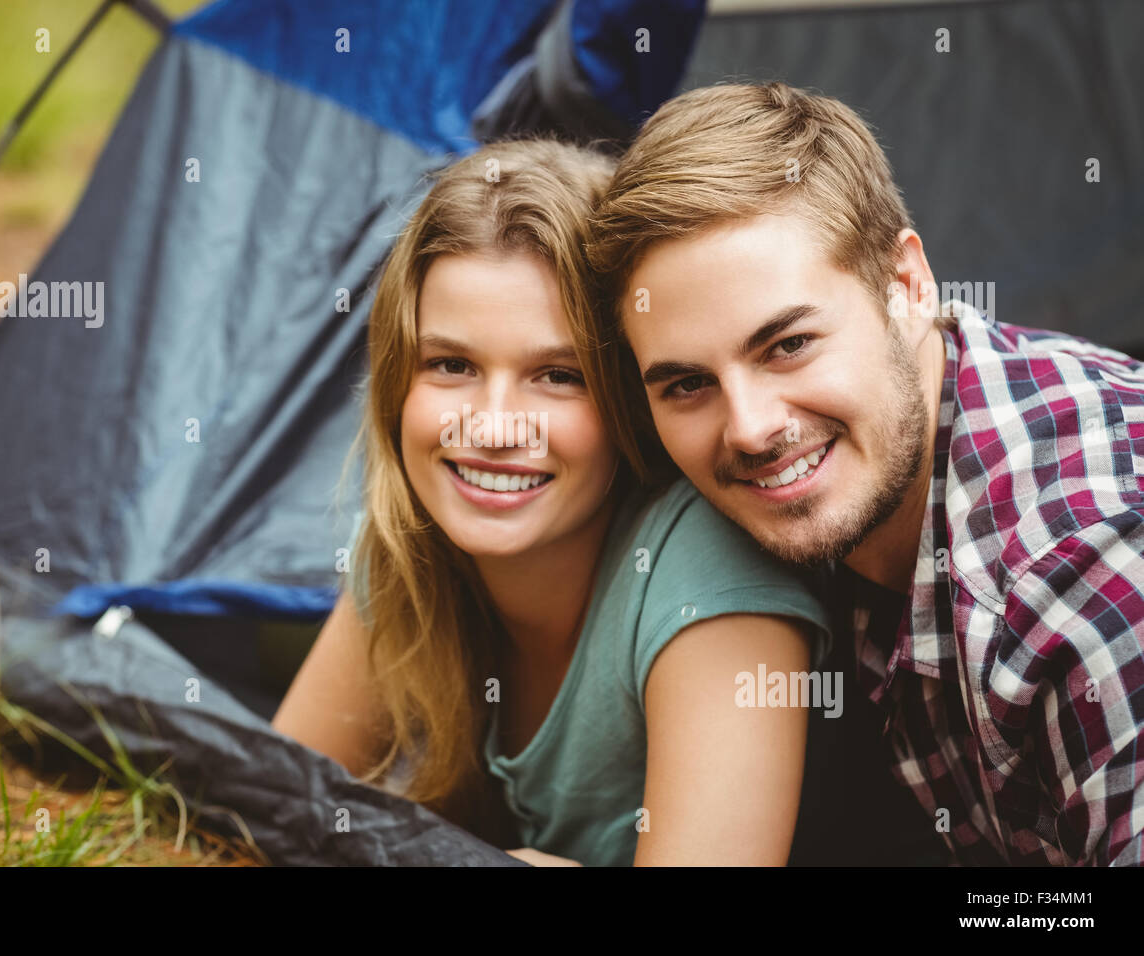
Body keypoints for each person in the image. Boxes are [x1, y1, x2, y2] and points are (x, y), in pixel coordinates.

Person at [586, 81, 1144, 865]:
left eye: (788, 345)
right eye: (687, 385)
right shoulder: (881, 479)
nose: (749, 428)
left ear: (908, 285)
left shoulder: (1084, 569)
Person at [272, 137, 837, 866]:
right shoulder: (413, 541)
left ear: (629, 398)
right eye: (451, 365)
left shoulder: (705, 574)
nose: (495, 427)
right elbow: (272, 805)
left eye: (558, 376)